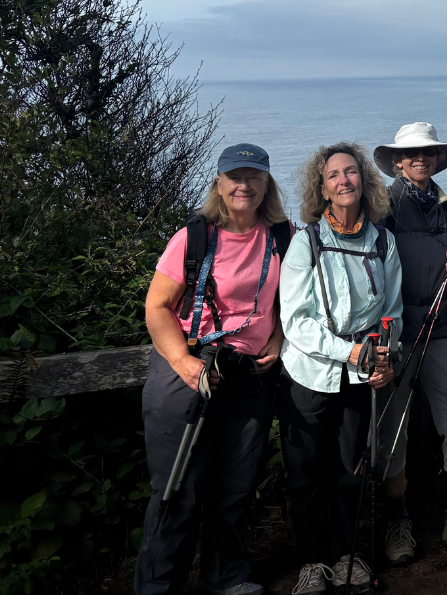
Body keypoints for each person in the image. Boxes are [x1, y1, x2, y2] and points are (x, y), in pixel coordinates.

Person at [136, 144, 291, 595]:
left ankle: (225, 576)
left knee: (236, 485)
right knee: (177, 487)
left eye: (254, 177)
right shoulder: (195, 237)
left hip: (251, 373)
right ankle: (159, 586)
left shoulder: (282, 236)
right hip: (191, 367)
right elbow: (157, 307)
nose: (244, 186)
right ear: (219, 184)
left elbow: (291, 302)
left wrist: (278, 338)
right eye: (234, 177)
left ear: (267, 185)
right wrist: (183, 362)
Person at [280, 143, 402, 595]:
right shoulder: (305, 241)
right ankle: (313, 563)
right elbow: (295, 320)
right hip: (309, 375)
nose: (344, 181)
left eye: (352, 172)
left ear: (365, 182)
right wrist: (348, 353)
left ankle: (348, 554)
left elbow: (392, 312)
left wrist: (387, 355)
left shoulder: (383, 242)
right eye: (333, 175)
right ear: (322, 188)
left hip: (362, 374)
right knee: (308, 471)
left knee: (353, 468)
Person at [372, 122, 447, 563]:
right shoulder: (380, 206)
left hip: (443, 330)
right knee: (392, 431)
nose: (421, 159)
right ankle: (398, 523)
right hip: (395, 332)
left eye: (428, 153)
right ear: (397, 161)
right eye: (412, 154)